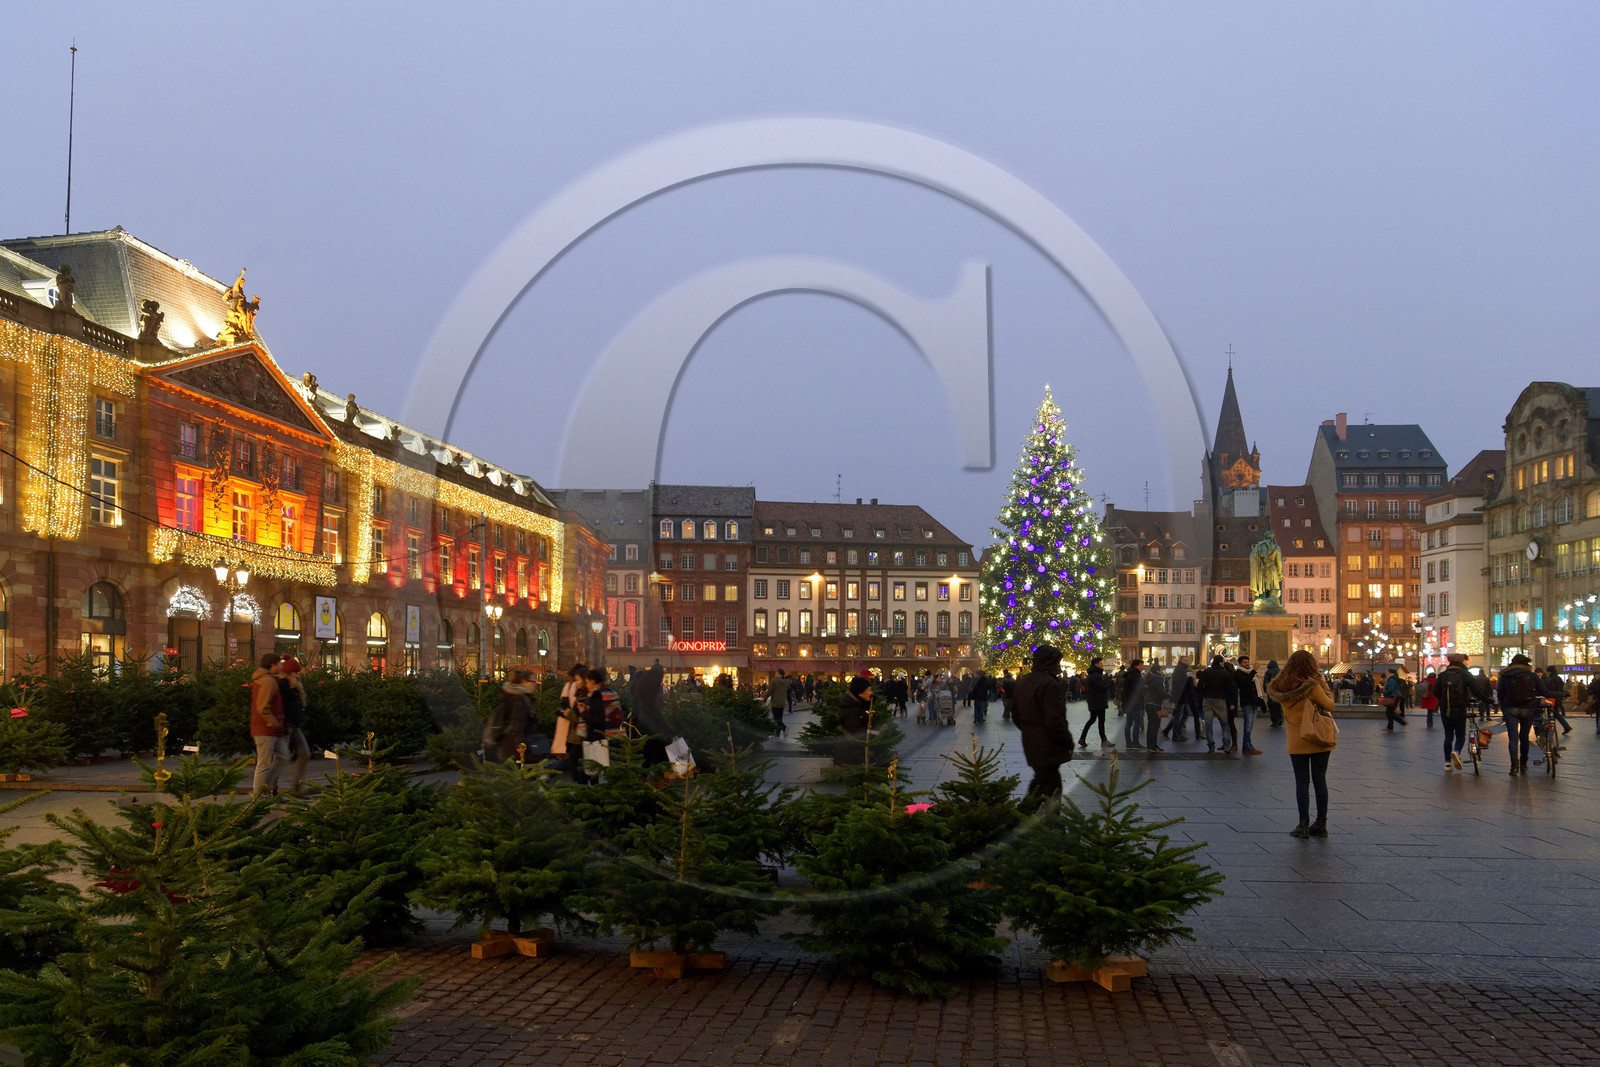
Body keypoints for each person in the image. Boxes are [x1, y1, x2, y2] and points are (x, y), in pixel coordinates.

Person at [1267, 650, 1337, 838]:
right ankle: (1321, 824)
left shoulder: (1280, 686)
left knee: (1301, 781)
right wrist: (1324, 686)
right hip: (1317, 736)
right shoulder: (1312, 684)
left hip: (1297, 739)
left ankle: (1303, 824)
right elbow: (1330, 705)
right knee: (1319, 780)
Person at [1013, 644, 1075, 799]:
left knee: (1044, 784)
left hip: (1031, 740)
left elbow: (1015, 713)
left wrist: (1029, 729)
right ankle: (1025, 820)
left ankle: (1046, 820)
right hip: (1047, 743)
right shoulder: (1049, 684)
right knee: (1047, 789)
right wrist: (1067, 742)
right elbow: (1055, 719)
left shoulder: (1025, 681)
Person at [249, 652, 288, 799]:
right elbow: (262, 707)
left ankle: (269, 788)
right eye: (279, 664)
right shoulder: (267, 681)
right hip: (266, 729)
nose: (281, 666)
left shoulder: (269, 679)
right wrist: (273, 722)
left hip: (271, 729)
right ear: (272, 665)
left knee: (283, 756)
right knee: (264, 764)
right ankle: (258, 796)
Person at [1497, 654, 1543, 776]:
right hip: (1527, 708)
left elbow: (1500, 693)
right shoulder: (1532, 675)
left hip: (1510, 709)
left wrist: (1503, 706)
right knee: (1524, 737)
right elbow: (1544, 691)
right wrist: (1559, 694)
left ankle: (1514, 767)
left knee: (1513, 738)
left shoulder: (1505, 676)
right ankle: (1524, 764)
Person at [277, 656, 312, 797]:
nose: (298, 676)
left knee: (304, 754)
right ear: (288, 674)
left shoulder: (295, 687)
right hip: (285, 726)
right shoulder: (281, 686)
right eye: (295, 673)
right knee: (280, 759)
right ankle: (270, 789)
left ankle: (296, 787)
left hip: (294, 726)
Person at [1434, 653, 1474, 771]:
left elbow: (1436, 691)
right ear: (1461, 661)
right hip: (1460, 709)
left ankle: (1447, 763)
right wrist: (1487, 700)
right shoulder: (1465, 674)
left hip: (1446, 710)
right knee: (1460, 735)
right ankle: (1456, 751)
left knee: (1448, 735)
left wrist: (1443, 702)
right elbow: (1476, 689)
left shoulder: (1443, 675)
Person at [490, 668, 537, 762]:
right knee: (519, 771)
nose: (535, 685)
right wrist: (519, 744)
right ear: (523, 682)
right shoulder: (520, 699)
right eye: (532, 681)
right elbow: (517, 721)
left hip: (508, 741)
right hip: (516, 743)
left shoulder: (512, 695)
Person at [1195, 655, 1238, 754]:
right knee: (1224, 723)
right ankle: (1227, 745)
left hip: (1208, 699)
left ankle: (1211, 747)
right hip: (1220, 699)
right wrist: (1230, 702)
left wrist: (1203, 694)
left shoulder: (1207, 672)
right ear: (1222, 662)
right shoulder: (1225, 673)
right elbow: (1229, 689)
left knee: (1209, 724)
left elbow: (1200, 686)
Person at [835, 674, 874, 766]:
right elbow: (854, 738)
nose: (871, 693)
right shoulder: (851, 710)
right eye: (868, 690)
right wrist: (864, 762)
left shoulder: (858, 705)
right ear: (860, 693)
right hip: (851, 761)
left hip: (851, 758)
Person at [1078, 656, 1113, 749]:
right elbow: (1101, 688)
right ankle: (1103, 741)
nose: (1102, 665)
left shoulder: (1092, 675)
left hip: (1094, 700)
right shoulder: (1095, 675)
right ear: (1096, 664)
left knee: (1092, 719)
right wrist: (1111, 682)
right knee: (1100, 720)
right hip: (1098, 701)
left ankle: (1082, 738)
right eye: (1101, 663)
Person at [1234, 655, 1265, 755]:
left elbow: (1256, 688)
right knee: (1247, 725)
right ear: (1240, 664)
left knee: (1250, 726)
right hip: (1247, 702)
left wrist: (1260, 699)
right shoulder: (1239, 673)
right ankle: (1247, 747)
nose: (1247, 664)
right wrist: (1254, 671)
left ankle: (1247, 746)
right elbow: (1246, 683)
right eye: (1244, 663)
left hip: (1254, 701)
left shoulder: (1251, 672)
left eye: (1248, 662)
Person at [1163, 658, 1193, 741]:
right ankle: (1176, 734)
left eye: (1187, 660)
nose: (1187, 661)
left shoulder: (1182, 669)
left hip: (1181, 696)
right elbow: (1180, 684)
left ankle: (1172, 731)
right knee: (1178, 714)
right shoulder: (1180, 669)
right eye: (1185, 660)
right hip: (1180, 696)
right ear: (1181, 661)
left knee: (1182, 713)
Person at [1141, 662, 1167, 752]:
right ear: (1158, 671)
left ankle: (1152, 745)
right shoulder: (1158, 680)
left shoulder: (1150, 679)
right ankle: (1152, 746)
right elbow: (1161, 694)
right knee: (1154, 726)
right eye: (1161, 670)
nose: (1162, 671)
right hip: (1155, 704)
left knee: (1152, 725)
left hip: (1149, 704)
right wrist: (1169, 695)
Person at [1119, 658, 1144, 748]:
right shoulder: (1135, 675)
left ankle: (1129, 743)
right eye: (1141, 665)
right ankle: (1135, 742)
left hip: (1128, 703)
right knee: (1137, 722)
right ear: (1135, 665)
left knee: (1129, 723)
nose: (1142, 667)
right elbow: (1137, 689)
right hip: (1135, 703)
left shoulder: (1129, 674)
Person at [1540, 666, 1573, 734]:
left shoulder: (1551, 679)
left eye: (1548, 671)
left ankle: (1549, 729)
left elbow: (1551, 689)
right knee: (1556, 713)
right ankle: (1565, 727)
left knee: (1549, 713)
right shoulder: (1559, 678)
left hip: (1552, 698)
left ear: (1550, 671)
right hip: (1558, 698)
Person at [768, 670, 791, 735]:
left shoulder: (774, 680)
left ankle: (784, 728)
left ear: (778, 673)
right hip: (782, 702)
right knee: (780, 718)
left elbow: (769, 690)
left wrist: (765, 698)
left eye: (776, 673)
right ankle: (777, 733)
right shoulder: (786, 682)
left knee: (776, 718)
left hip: (775, 702)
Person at [1264, 659, 1284, 728]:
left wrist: (1266, 690)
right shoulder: (1280, 672)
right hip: (1279, 692)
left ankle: (1275, 721)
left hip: (1271, 692)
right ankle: (1280, 719)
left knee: (1272, 707)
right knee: (1279, 707)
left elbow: (1266, 682)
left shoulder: (1268, 672)